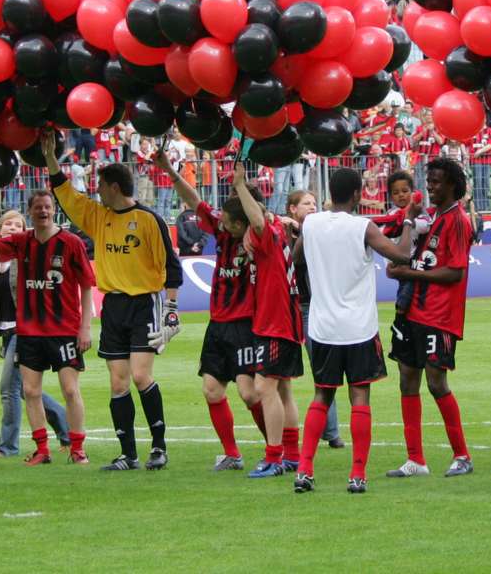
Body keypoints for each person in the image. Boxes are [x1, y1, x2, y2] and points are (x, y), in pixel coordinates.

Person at [42, 132, 182, 471]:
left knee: (139, 376)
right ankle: (129, 454)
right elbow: (65, 194)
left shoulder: (149, 220)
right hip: (114, 307)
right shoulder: (97, 215)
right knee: (117, 381)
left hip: (143, 303)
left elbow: (171, 267)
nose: (97, 192)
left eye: (101, 186)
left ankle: (159, 447)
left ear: (115, 188)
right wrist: (49, 158)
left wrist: (171, 312)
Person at [292, 166, 415, 494]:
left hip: (322, 326)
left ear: (330, 193)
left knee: (321, 394)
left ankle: (304, 469)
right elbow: (402, 255)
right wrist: (407, 222)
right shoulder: (364, 227)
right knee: (360, 396)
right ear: (359, 195)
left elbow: (296, 257)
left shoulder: (313, 223)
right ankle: (357, 474)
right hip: (358, 328)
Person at [155, 148, 260, 470]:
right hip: (218, 325)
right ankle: (233, 454)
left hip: (246, 325)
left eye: (229, 222)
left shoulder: (260, 236)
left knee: (250, 394)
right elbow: (194, 201)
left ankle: (279, 451)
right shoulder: (222, 229)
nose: (221, 226)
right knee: (212, 391)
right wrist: (171, 172)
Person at [0, 190, 92, 466]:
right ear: (30, 212)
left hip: (64, 329)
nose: (43, 211)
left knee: (71, 390)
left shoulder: (71, 242)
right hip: (29, 332)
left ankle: (77, 448)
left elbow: (87, 285)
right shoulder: (20, 243)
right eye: (38, 207)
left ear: (54, 210)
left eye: (47, 207)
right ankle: (42, 449)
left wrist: (85, 327)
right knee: (30, 391)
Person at [384, 157, 475, 479]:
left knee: (437, 383)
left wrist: (410, 273)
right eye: (429, 181)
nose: (430, 187)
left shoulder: (458, 221)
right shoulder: (431, 217)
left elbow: (454, 272)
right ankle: (415, 460)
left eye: (436, 182)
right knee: (407, 380)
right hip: (412, 312)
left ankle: (462, 455)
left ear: (452, 184)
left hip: (439, 315)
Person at [233, 163, 306, 478]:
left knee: (264, 388)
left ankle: (274, 457)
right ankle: (292, 455)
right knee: (283, 390)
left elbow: (258, 219)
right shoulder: (275, 230)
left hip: (276, 322)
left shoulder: (265, 232)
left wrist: (238, 185)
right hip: (284, 320)